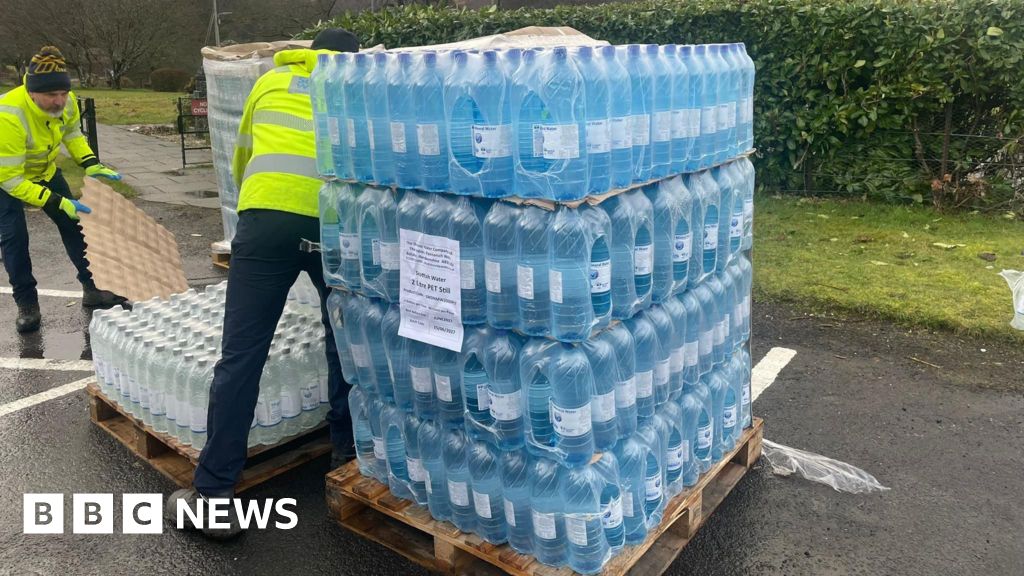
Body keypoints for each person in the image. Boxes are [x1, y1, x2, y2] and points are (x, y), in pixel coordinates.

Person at [166, 29, 360, 539]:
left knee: (243, 354)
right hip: (329, 223)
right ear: (351, 60)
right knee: (342, 339)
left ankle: (212, 493)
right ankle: (346, 452)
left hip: (265, 217)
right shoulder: (354, 91)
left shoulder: (270, 81)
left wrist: (252, 205)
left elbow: (243, 153)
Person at [0, 46, 128, 333]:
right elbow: (9, 179)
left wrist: (89, 162)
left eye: (62, 93)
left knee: (75, 225)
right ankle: (27, 304)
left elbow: (72, 133)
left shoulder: (66, 101)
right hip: (7, 180)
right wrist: (55, 199)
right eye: (50, 96)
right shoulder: (8, 116)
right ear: (31, 91)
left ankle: (92, 288)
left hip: (44, 171)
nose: (59, 101)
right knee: (14, 239)